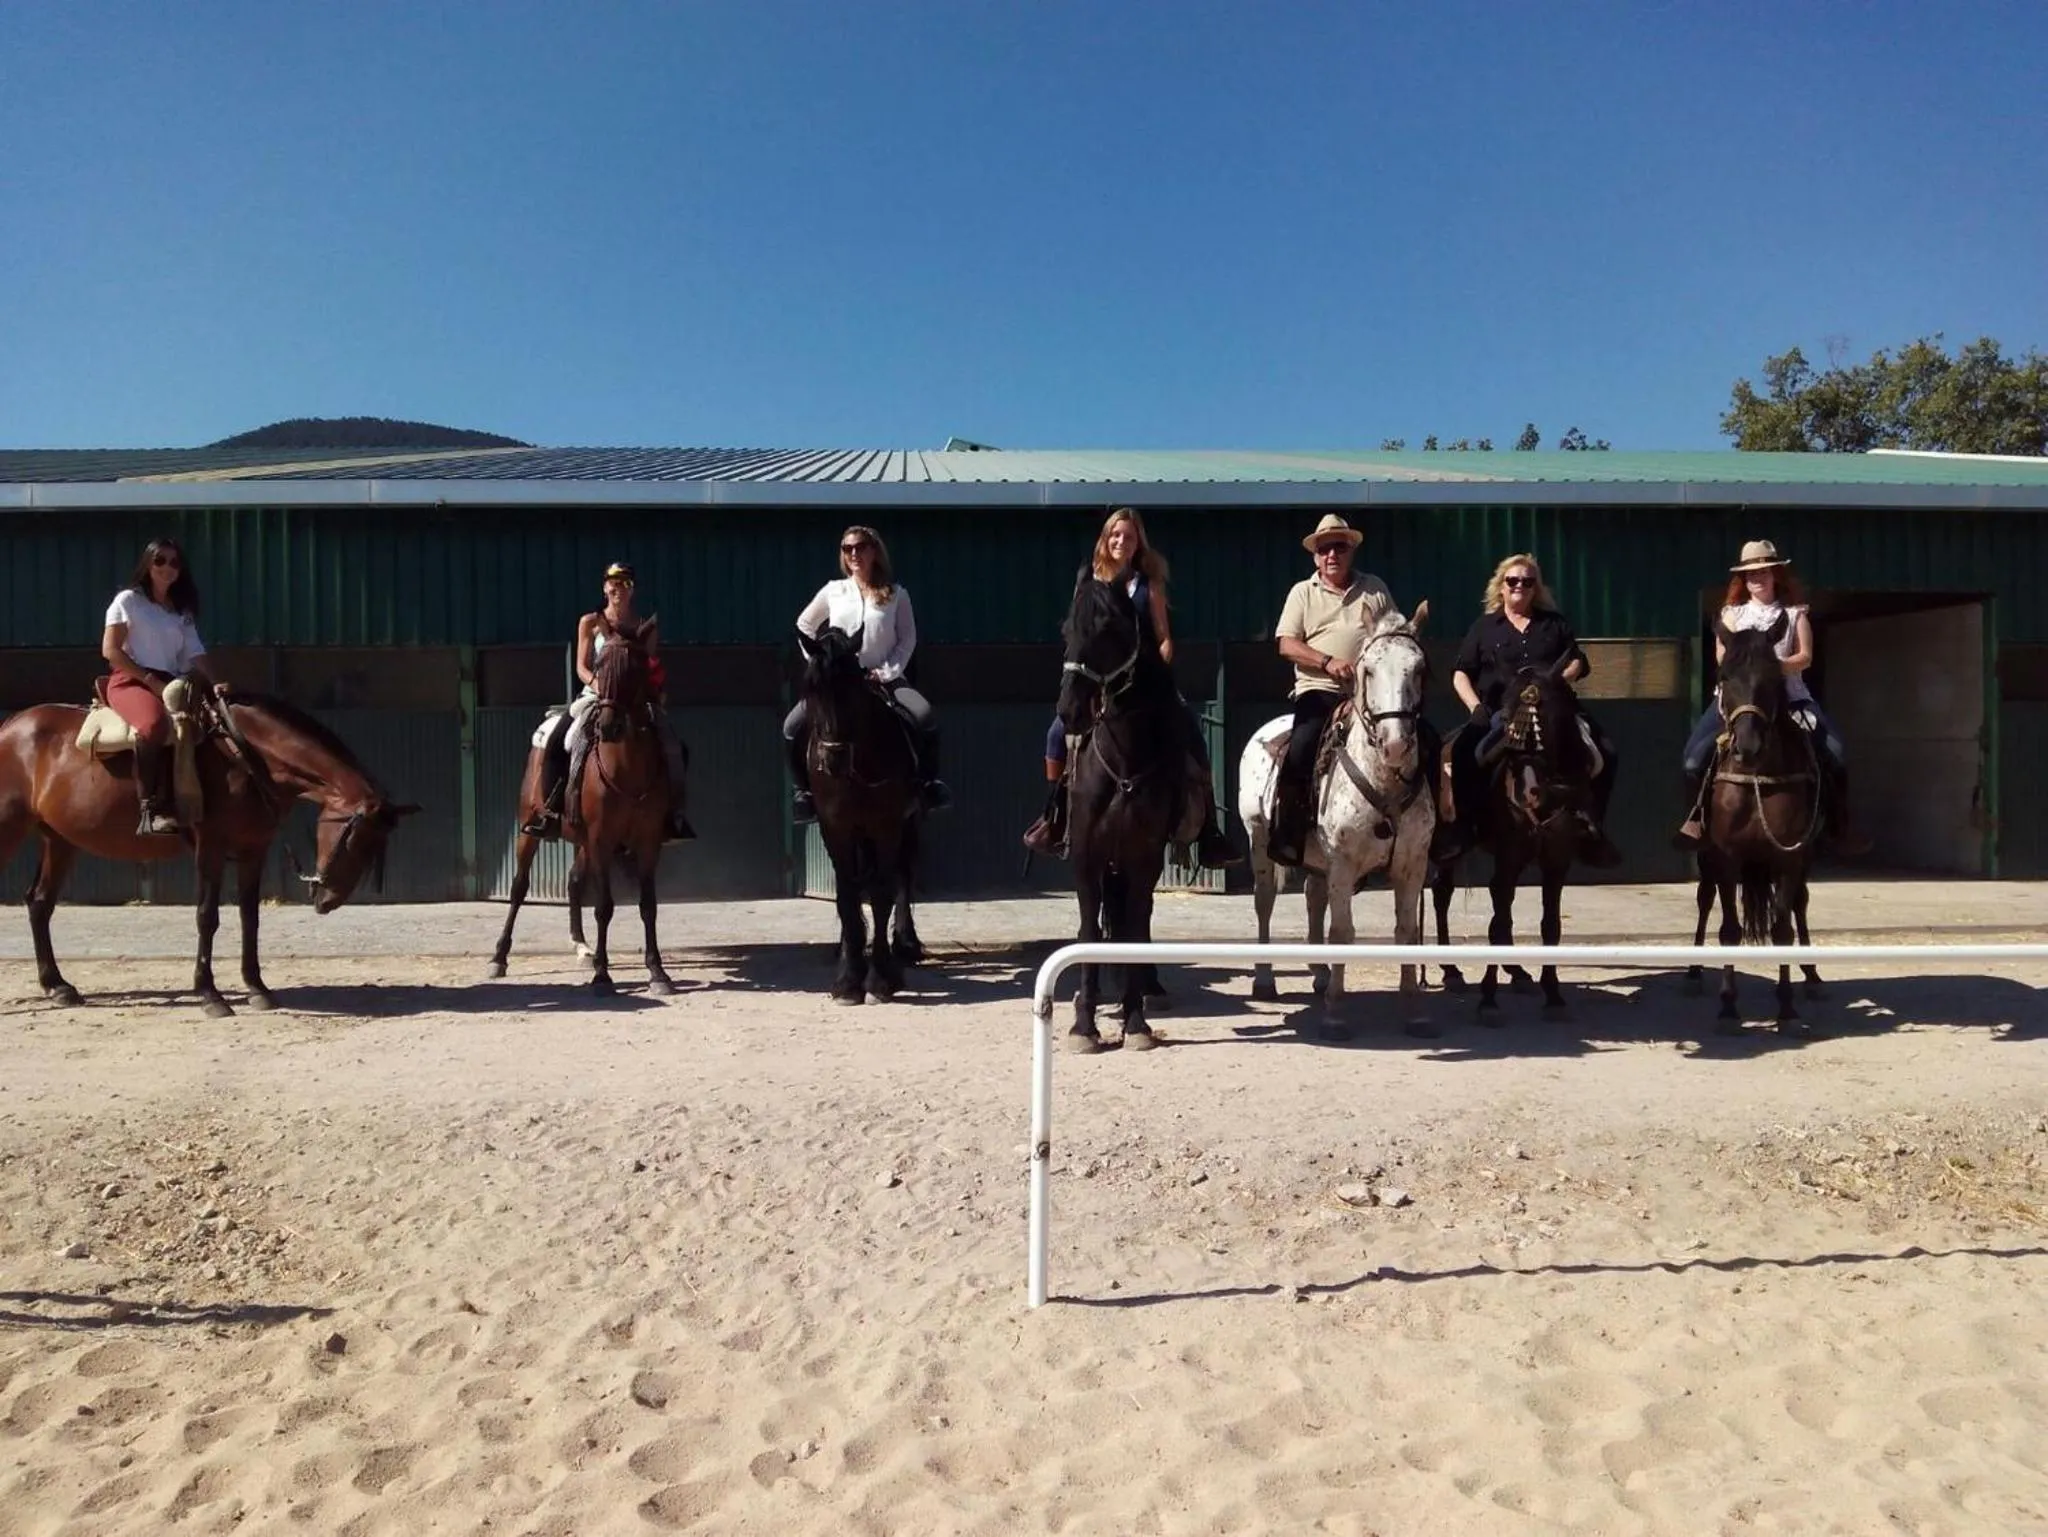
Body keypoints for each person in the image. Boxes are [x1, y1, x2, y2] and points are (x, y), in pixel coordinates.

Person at [1021, 508, 1240, 867]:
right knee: (1056, 733)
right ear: (1106, 540)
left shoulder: (1148, 583)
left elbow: (1164, 636)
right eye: (1116, 535)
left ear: (1139, 543)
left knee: (1191, 730)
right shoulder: (1089, 582)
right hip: (1099, 679)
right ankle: (1055, 817)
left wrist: (1162, 659)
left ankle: (1209, 830)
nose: (1122, 541)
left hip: (1143, 681)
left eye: (1129, 536)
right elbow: (1081, 631)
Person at [1674, 539, 1870, 855]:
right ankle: (1696, 821)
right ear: (1743, 580)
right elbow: (1723, 659)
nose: (1758, 579)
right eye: (1751, 574)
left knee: (1836, 751)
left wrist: (1772, 667)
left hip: (1790, 697)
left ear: (1775, 575)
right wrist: (1750, 671)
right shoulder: (1730, 615)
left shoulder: (1795, 615)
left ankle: (1839, 825)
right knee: (1692, 759)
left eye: (1764, 572)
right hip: (1736, 700)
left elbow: (1804, 656)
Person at [1433, 553, 1621, 867]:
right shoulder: (1484, 628)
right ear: (1501, 587)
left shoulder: (1554, 624)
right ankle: (1463, 829)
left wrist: (1557, 681)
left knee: (1606, 753)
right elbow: (1461, 673)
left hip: (1555, 714)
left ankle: (1591, 828)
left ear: (1536, 588)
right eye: (1513, 580)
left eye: (1527, 581)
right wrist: (1475, 707)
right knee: (1466, 754)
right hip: (1502, 713)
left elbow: (1578, 660)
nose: (1520, 585)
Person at [784, 526, 950, 823]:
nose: (854, 554)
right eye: (847, 549)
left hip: (884, 679)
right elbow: (804, 626)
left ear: (875, 551)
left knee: (924, 716)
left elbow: (907, 639)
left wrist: (887, 671)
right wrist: (822, 664)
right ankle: (804, 793)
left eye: (860, 547)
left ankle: (927, 785)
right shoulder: (833, 590)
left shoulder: (897, 595)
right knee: (791, 725)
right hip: (839, 684)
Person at [1266, 513, 1402, 868]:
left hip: (1372, 696)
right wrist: (1327, 662)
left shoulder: (1375, 589)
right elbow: (1286, 644)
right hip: (1320, 690)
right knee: (1301, 749)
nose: (1332, 555)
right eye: (1324, 549)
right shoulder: (1302, 593)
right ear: (1315, 556)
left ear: (1351, 550)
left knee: (1421, 742)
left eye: (1339, 547)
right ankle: (1290, 834)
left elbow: (1393, 635)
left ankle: (1429, 831)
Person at [523, 562, 694, 841]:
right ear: (604, 587)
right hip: (598, 695)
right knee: (559, 740)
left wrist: (653, 689)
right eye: (613, 582)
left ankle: (673, 816)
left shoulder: (644, 628)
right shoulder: (590, 622)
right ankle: (552, 812)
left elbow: (648, 666)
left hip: (634, 698)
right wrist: (599, 685)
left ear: (632, 590)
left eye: (624, 583)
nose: (618, 588)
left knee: (676, 746)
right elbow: (581, 666)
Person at [100, 536, 218, 835]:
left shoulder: (181, 612)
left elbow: (196, 654)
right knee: (154, 725)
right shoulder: (128, 601)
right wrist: (149, 680)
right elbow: (111, 651)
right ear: (148, 564)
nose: (168, 567)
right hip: (130, 680)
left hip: (172, 682)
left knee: (212, 726)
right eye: (160, 560)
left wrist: (217, 684)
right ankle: (150, 809)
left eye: (174, 562)